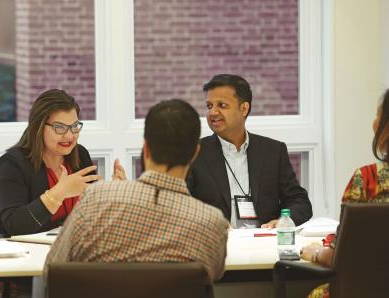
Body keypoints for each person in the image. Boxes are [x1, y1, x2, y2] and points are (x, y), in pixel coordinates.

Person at [44, 99, 230, 284]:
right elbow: (214, 275)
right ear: (195, 153)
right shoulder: (213, 222)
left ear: (146, 148)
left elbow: (52, 270)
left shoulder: (97, 197)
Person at [187, 74, 312, 228]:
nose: (213, 112)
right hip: (218, 244)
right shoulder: (194, 153)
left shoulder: (273, 151)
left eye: (222, 105)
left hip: (264, 243)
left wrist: (284, 223)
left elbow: (299, 201)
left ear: (244, 108)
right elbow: (182, 205)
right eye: (209, 106)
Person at [300, 89, 389, 298]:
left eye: (378, 115)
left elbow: (342, 256)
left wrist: (315, 252)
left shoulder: (368, 179)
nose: (374, 122)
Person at [0, 89, 103, 236]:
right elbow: (15, 226)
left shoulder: (80, 155)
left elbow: (93, 212)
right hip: (28, 253)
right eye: (60, 128)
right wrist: (59, 192)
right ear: (39, 127)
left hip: (72, 246)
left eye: (75, 126)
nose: (70, 135)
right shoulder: (12, 164)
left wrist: (113, 197)